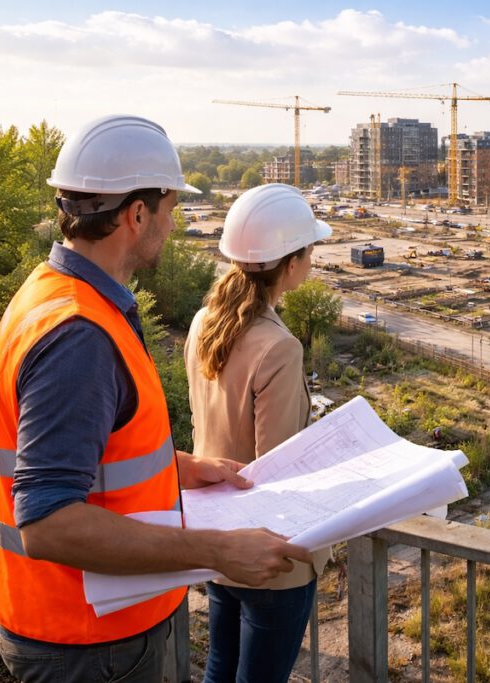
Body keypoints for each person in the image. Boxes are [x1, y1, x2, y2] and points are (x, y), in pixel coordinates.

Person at [0, 115, 312, 683]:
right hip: (85, 641)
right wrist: (215, 552)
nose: (174, 223)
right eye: (170, 208)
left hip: (76, 627)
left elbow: (94, 453)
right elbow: (48, 522)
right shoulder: (80, 335)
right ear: (137, 215)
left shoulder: (52, 296)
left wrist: (183, 468)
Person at [184, 183, 333, 683]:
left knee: (220, 667)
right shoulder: (279, 347)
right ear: (289, 265)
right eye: (308, 251)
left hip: (217, 533)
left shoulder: (204, 322)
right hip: (269, 555)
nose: (311, 260)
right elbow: (277, 467)